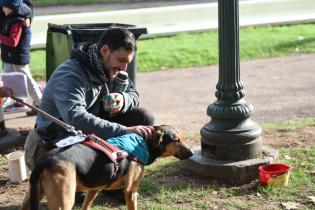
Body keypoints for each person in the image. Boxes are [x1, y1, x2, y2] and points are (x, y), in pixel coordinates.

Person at [24, 27, 155, 170]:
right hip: (59, 139)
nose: (124, 68)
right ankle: (111, 177)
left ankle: (125, 171)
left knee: (144, 118)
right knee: (100, 168)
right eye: (121, 60)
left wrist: (123, 99)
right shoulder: (70, 75)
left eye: (127, 62)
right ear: (104, 51)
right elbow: (76, 119)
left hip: (89, 130)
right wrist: (123, 130)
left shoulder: (111, 67)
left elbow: (133, 94)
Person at [0, 0, 41, 116]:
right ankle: (6, 102)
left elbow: (13, 42)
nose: (2, 9)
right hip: (9, 55)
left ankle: (40, 102)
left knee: (27, 79)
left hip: (17, 57)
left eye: (4, 7)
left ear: (11, 8)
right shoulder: (9, 18)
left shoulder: (17, 21)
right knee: (6, 80)